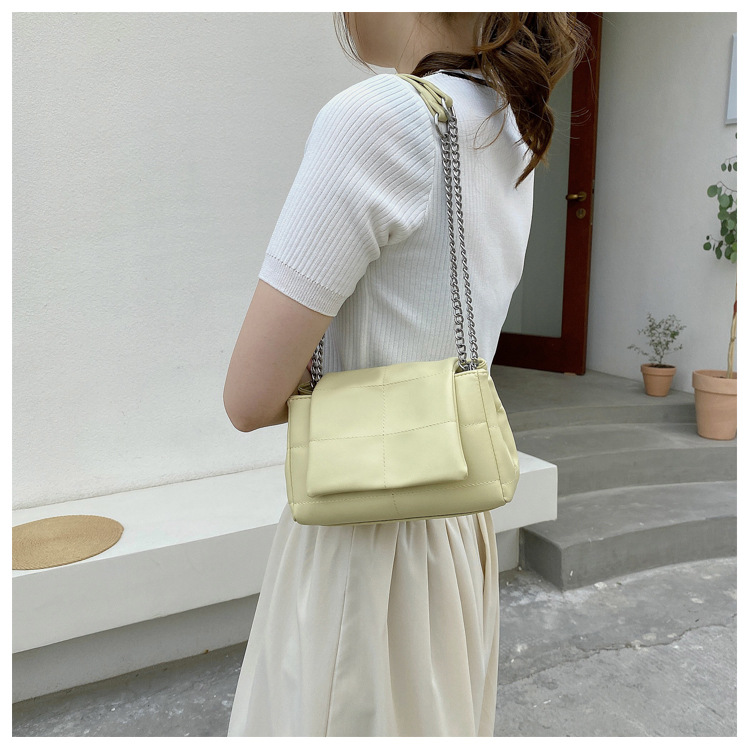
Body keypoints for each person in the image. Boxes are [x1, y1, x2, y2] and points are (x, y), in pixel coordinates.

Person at [222, 12, 589, 737]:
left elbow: (249, 398)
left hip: (363, 534)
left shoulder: (379, 117)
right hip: (455, 529)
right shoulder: (508, 128)